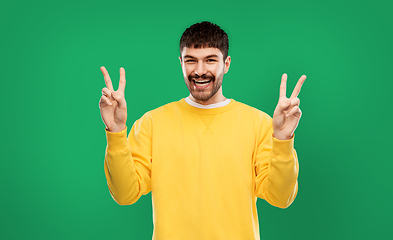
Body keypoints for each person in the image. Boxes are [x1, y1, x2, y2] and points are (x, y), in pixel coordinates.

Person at [99, 21, 306, 240]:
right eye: (191, 61)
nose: (199, 71)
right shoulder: (152, 123)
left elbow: (281, 197)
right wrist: (116, 131)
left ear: (226, 64)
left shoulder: (259, 123)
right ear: (181, 63)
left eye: (210, 60)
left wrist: (283, 140)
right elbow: (124, 194)